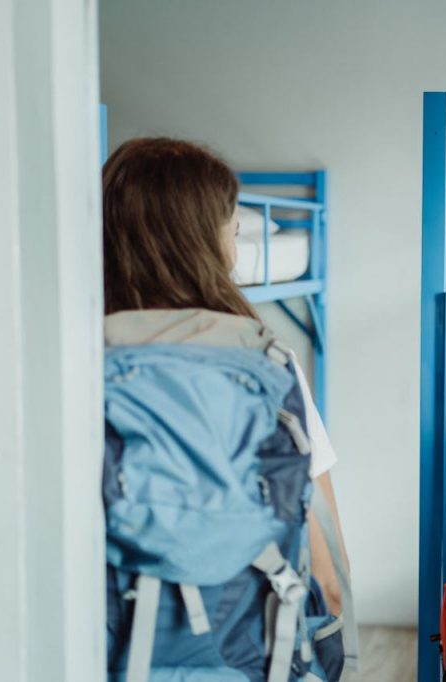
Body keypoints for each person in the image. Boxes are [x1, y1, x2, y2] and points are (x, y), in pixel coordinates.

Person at [101, 136, 350, 617]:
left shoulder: (67, 363)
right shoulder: (267, 367)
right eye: (234, 233)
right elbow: (327, 576)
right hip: (243, 647)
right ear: (210, 245)